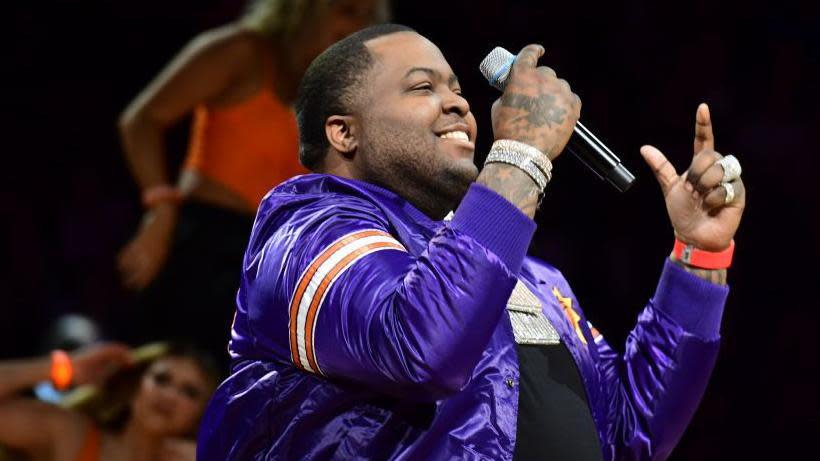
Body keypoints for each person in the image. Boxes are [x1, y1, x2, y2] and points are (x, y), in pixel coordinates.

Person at [197, 24, 746, 460]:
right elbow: (418, 348)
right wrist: (521, 155)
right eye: (422, 87)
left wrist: (698, 257)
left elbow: (631, 435)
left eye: (458, 90)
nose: (459, 104)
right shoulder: (303, 231)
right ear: (344, 131)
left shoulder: (531, 275)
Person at [116, 0, 387, 368]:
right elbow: (142, 119)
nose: (359, 26)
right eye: (348, 10)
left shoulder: (345, 95)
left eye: (370, 17)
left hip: (275, 265)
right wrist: (160, 207)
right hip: (201, 246)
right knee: (163, 376)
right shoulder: (244, 52)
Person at [0, 342, 219, 461]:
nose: (170, 395)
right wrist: (67, 368)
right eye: (161, 380)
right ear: (134, 386)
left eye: (189, 392)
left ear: (201, 415)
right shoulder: (72, 435)